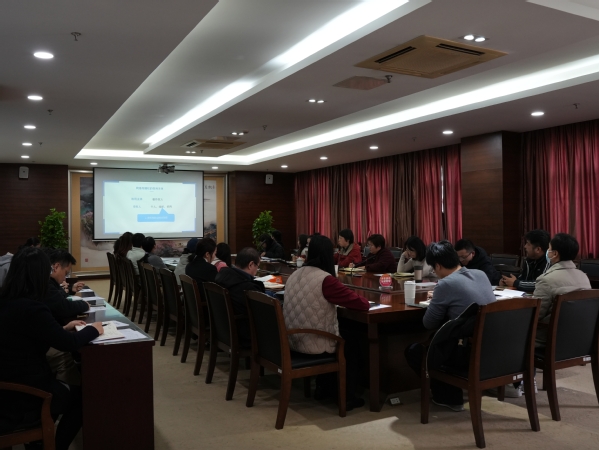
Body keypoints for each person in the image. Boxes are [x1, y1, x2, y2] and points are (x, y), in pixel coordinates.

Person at [0, 247, 103, 450]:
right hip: (24, 392)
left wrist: (63, 328)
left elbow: (29, 336)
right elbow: (69, 343)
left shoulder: (6, 300)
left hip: (7, 384)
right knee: (84, 398)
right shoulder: (33, 308)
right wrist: (94, 329)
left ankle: (39, 441)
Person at [405, 240, 495, 411]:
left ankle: (449, 397)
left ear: (438, 266)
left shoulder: (445, 284)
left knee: (416, 351)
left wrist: (437, 300)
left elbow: (428, 323)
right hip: (493, 349)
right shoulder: (480, 274)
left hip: (468, 353)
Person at [284, 235, 370, 410]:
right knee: (353, 341)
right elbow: (362, 304)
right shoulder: (325, 280)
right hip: (312, 341)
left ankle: (323, 387)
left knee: (344, 332)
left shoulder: (294, 274)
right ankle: (346, 396)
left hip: (292, 339)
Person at [534, 233, 591, 347]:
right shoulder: (584, 277)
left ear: (555, 254)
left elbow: (535, 315)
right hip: (581, 337)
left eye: (549, 249)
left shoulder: (546, 280)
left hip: (548, 339)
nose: (547, 252)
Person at [215, 247, 265, 347]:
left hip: (222, 330)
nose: (257, 269)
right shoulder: (248, 288)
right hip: (245, 334)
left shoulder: (221, 276)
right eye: (257, 266)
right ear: (251, 265)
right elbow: (261, 314)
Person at [46, 249, 90, 320]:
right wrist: (84, 304)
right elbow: (63, 308)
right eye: (66, 273)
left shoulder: (50, 281)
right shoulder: (45, 283)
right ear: (56, 267)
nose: (65, 278)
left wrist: (70, 289)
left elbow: (58, 294)